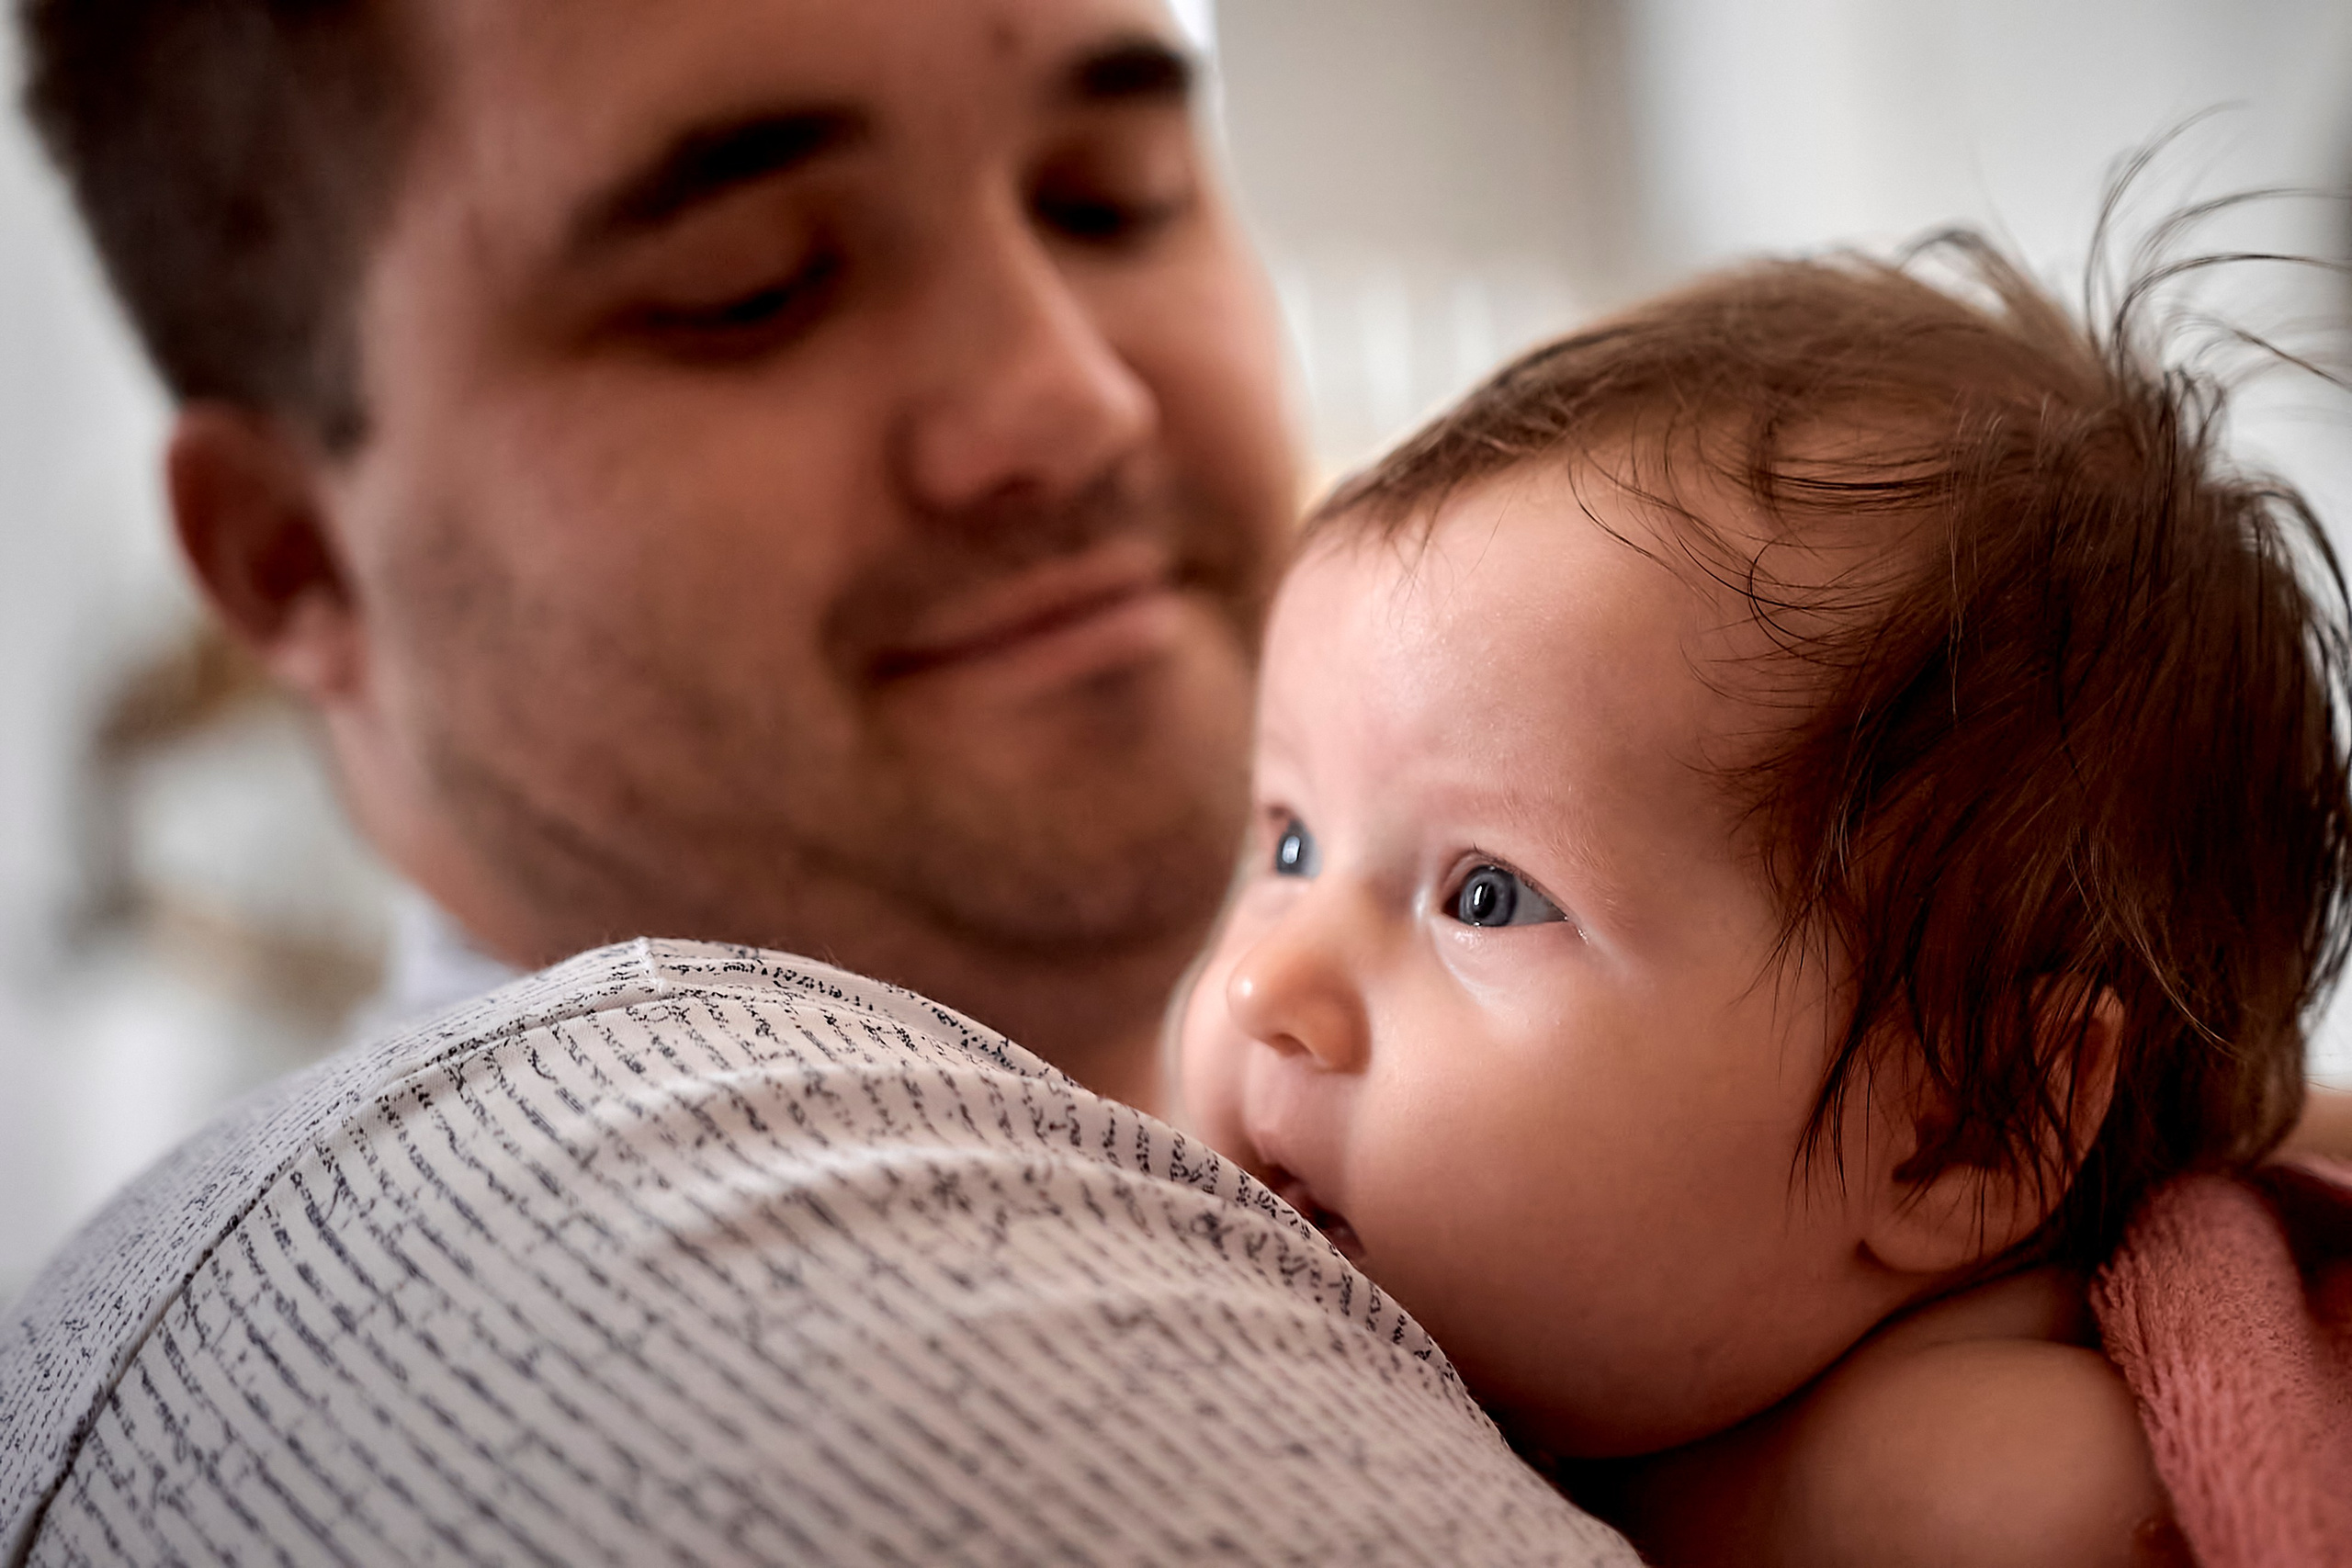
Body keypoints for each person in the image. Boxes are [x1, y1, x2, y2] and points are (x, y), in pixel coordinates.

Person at [1, 0, 1645, 1561]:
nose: (1071, 403)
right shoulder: (743, 1330)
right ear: (292, 556)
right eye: (753, 287)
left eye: (1109, 201)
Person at [1173, 239, 2352, 1566]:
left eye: (1489, 896)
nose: (1265, 990)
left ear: (1953, 1132)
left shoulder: (1983, 1495)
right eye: (1287, 845)